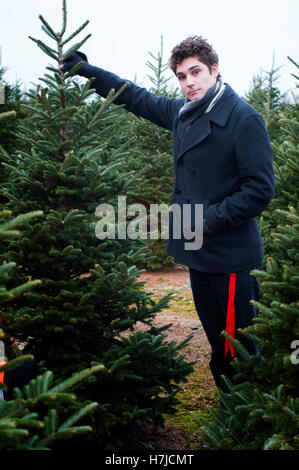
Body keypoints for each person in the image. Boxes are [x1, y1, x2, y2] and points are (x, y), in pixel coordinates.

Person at [60, 36, 275, 389]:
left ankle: (243, 420)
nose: (189, 82)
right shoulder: (183, 113)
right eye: (181, 76)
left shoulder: (243, 119)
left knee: (238, 348)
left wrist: (206, 220)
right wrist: (87, 71)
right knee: (217, 339)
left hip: (230, 257)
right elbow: (135, 97)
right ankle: (231, 412)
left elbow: (259, 190)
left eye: (196, 72)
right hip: (198, 252)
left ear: (214, 70)